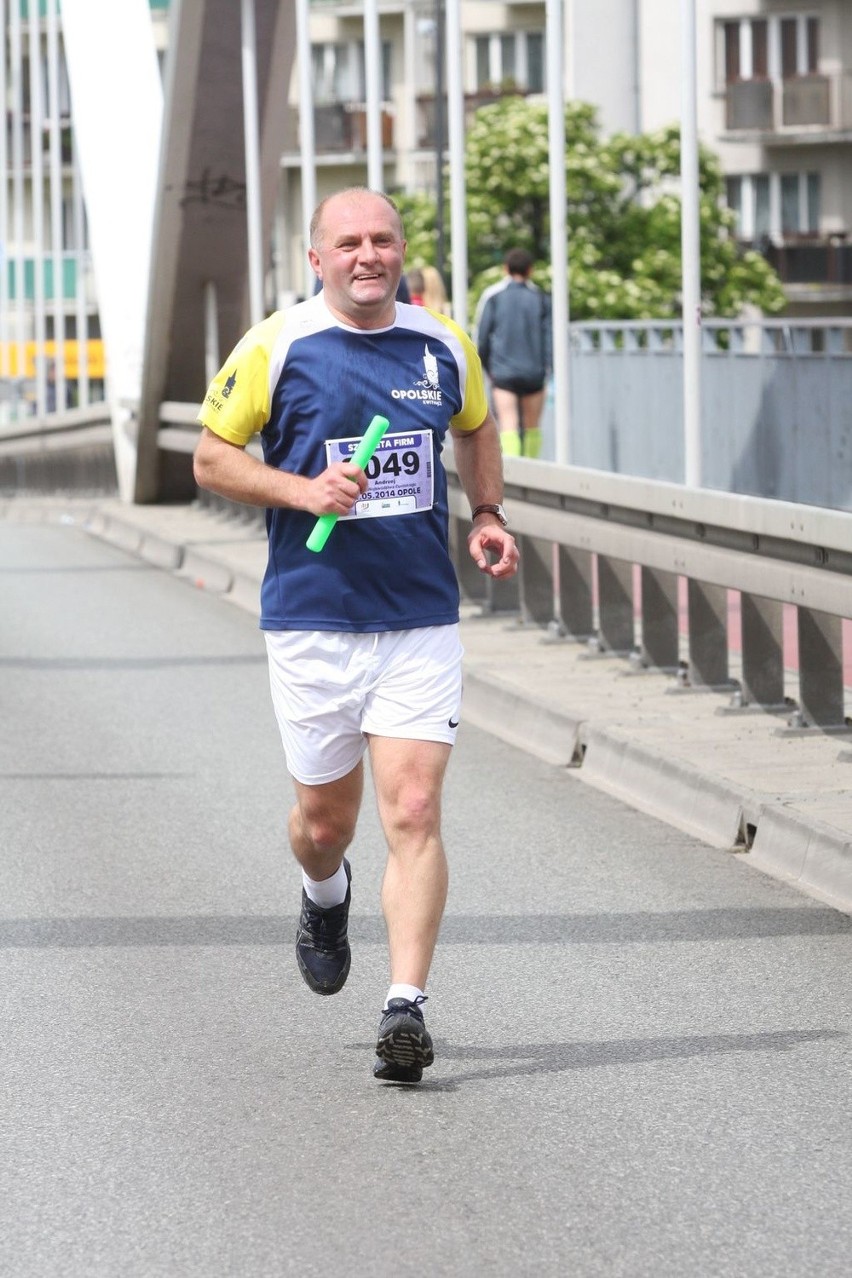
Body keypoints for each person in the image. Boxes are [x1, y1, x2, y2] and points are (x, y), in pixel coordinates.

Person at [193, 186, 518, 1084]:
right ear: (318, 258)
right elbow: (209, 455)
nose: (367, 255)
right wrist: (303, 492)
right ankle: (322, 893)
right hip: (312, 621)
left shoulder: (441, 340)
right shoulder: (277, 344)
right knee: (324, 824)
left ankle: (405, 1008)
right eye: (349, 242)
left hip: (418, 618)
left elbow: (478, 425)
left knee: (412, 810)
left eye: (382, 239)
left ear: (400, 249)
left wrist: (486, 511)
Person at [476, 247, 552, 459]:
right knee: (532, 426)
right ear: (530, 270)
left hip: (503, 373)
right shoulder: (541, 298)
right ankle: (533, 472)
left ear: (505, 269)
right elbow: (549, 337)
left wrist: (489, 369)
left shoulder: (494, 296)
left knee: (508, 424)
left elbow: (482, 338)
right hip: (534, 373)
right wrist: (548, 369)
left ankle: (513, 476)